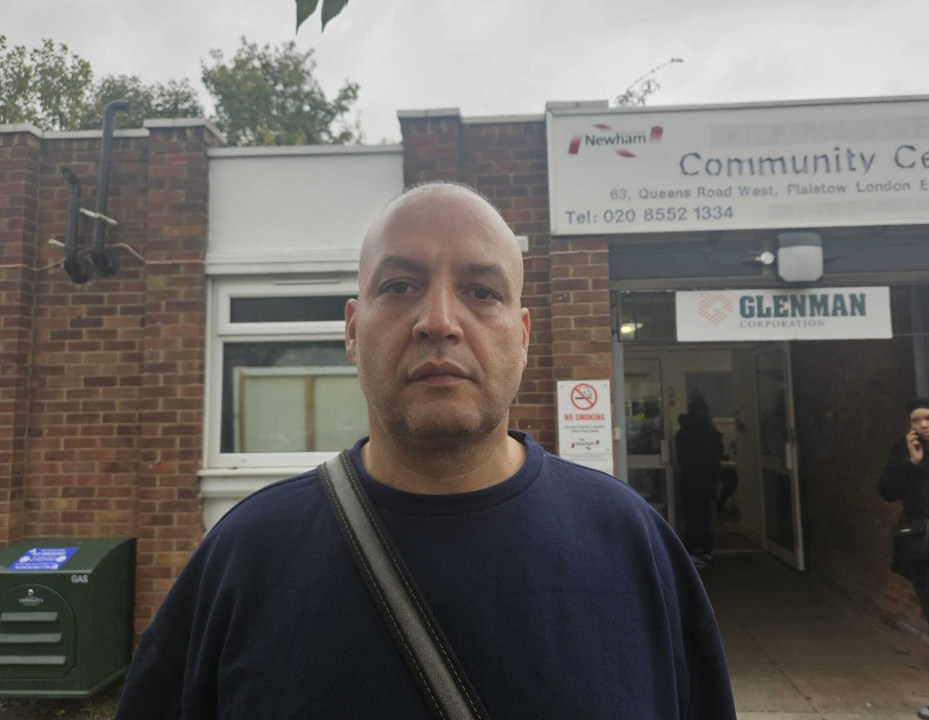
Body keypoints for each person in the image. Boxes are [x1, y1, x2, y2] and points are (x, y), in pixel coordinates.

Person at [115, 182, 736, 719]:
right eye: (401, 285)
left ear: (522, 338)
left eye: (482, 291)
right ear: (353, 332)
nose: (438, 320)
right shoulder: (243, 556)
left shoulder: (635, 546)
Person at [879, 398, 929, 719]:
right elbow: (886, 490)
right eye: (916, 420)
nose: (922, 425)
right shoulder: (904, 451)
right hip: (923, 549)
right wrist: (911, 464)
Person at [676, 399, 725, 568]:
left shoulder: (683, 431)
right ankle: (688, 553)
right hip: (703, 479)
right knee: (699, 516)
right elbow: (718, 450)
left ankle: (707, 549)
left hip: (690, 479)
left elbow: (681, 457)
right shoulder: (706, 430)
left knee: (699, 515)